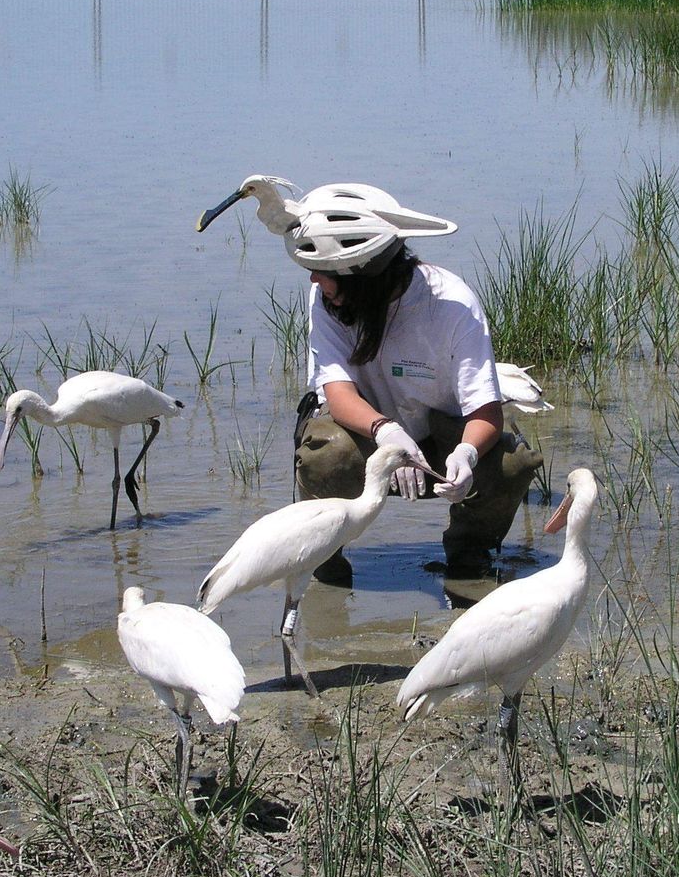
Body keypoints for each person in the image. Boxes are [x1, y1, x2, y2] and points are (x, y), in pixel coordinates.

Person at [213, 178, 543, 579]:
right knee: (325, 454)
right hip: (367, 439)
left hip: (440, 439)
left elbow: (487, 411)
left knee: (513, 463)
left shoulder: (452, 304)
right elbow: (336, 392)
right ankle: (322, 562)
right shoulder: (327, 299)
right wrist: (386, 432)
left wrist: (467, 455)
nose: (315, 282)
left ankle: (469, 560)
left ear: (366, 277)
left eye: (325, 274)